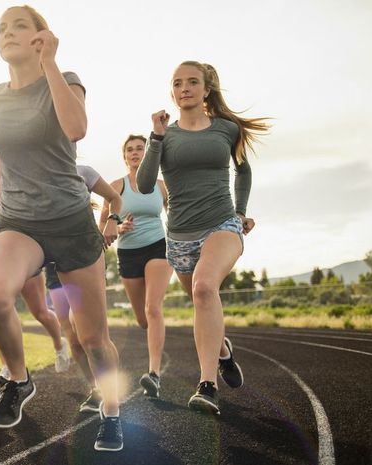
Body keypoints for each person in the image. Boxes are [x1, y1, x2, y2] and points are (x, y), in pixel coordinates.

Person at [0, 5, 125, 452]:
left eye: (18, 26)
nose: (6, 33)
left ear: (41, 36)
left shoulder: (66, 77)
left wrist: (51, 63)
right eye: (1, 28)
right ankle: (19, 380)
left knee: (92, 339)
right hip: (21, 221)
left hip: (71, 223)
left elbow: (77, 128)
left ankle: (112, 412)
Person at [136, 61, 270, 415]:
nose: (185, 88)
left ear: (206, 89)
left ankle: (207, 386)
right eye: (178, 83)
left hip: (221, 225)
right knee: (202, 302)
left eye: (192, 82)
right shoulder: (166, 136)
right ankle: (223, 350)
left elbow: (243, 170)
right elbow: (146, 184)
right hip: (179, 237)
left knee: (204, 288)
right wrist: (156, 137)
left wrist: (240, 213)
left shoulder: (226, 129)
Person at [99, 135, 173, 400]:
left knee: (153, 308)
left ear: (148, 153)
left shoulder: (162, 186)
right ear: (124, 156)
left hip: (159, 247)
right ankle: (153, 344)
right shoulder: (115, 187)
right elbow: (103, 231)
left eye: (140, 148)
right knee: (143, 319)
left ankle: (153, 374)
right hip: (128, 254)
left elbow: (175, 216)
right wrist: (118, 227)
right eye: (129, 149)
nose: (135, 153)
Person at [44, 164, 122, 414]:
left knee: (95, 337)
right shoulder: (34, 174)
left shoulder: (83, 172)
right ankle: (95, 388)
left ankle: (111, 393)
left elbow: (114, 198)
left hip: (83, 258)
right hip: (53, 265)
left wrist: (112, 221)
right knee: (72, 334)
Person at [0, 188, 70, 378]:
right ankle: (7, 366)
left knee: (40, 311)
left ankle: (59, 344)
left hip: (23, 258)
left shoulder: (21, 184)